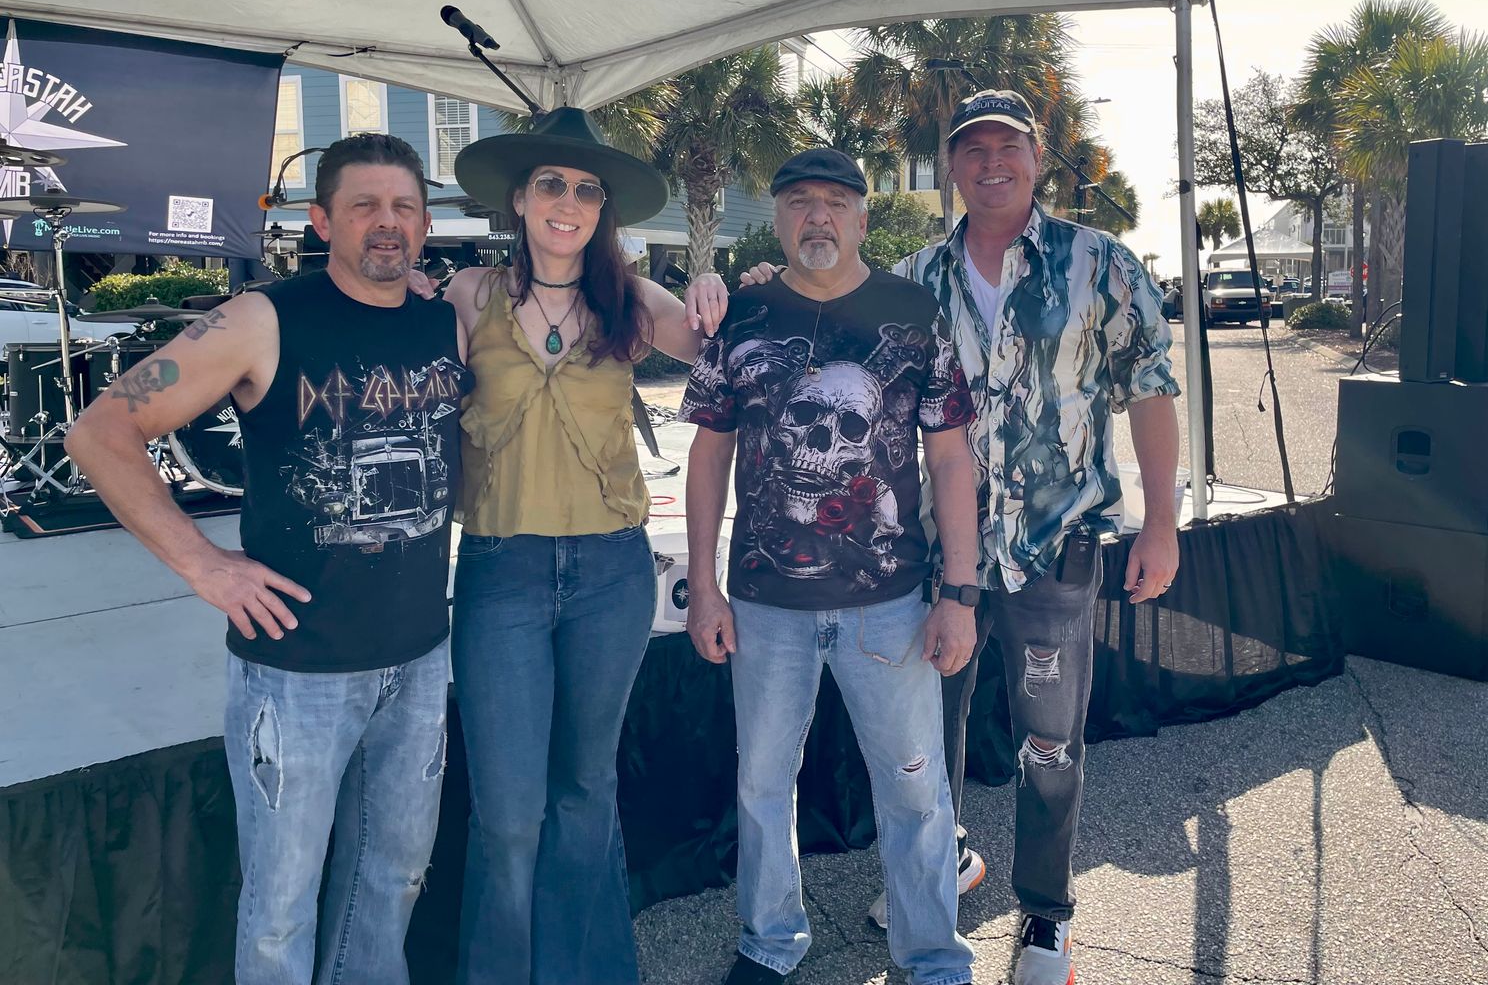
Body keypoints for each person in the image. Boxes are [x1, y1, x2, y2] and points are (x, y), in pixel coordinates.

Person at [743, 92, 1182, 985]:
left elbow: (1151, 392)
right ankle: (942, 870)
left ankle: (1046, 915)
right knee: (926, 740)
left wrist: (1163, 524)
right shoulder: (912, 281)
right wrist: (755, 285)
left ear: (1037, 158)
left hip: (1054, 547)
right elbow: (818, 313)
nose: (991, 163)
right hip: (936, 562)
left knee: (1048, 743)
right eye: (972, 149)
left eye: (1007, 147)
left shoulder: (1099, 263)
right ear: (950, 167)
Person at [67, 133, 469, 985]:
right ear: (321, 220)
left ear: (426, 224)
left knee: (392, 881)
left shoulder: (446, 321)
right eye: (363, 206)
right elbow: (100, 432)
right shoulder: (261, 320)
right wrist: (201, 564)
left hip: (418, 660)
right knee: (282, 910)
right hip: (297, 672)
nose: (387, 223)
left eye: (403, 207)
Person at [680, 148, 981, 985]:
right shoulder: (742, 317)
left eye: (837, 202)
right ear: (777, 218)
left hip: (890, 603)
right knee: (761, 784)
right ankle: (769, 943)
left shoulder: (912, 313)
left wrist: (959, 592)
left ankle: (933, 957)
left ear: (862, 217)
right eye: (800, 201)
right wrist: (703, 587)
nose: (819, 216)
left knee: (915, 788)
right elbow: (708, 455)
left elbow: (951, 457)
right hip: (764, 602)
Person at [442, 107, 727, 985]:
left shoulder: (629, 301)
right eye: (551, 185)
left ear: (604, 210)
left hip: (610, 572)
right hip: (501, 572)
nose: (567, 203)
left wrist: (723, 284)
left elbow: (723, 344)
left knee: (584, 792)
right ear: (520, 199)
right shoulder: (468, 296)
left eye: (587, 190)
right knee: (507, 812)